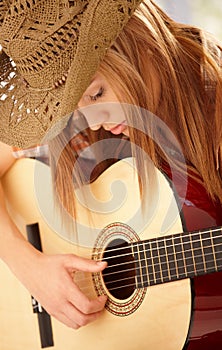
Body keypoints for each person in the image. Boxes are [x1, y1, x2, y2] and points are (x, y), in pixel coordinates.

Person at [0, 0, 221, 339]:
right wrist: (29, 266)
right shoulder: (83, 130)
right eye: (74, 109)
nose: (94, 121)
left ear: (141, 44)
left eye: (97, 93)